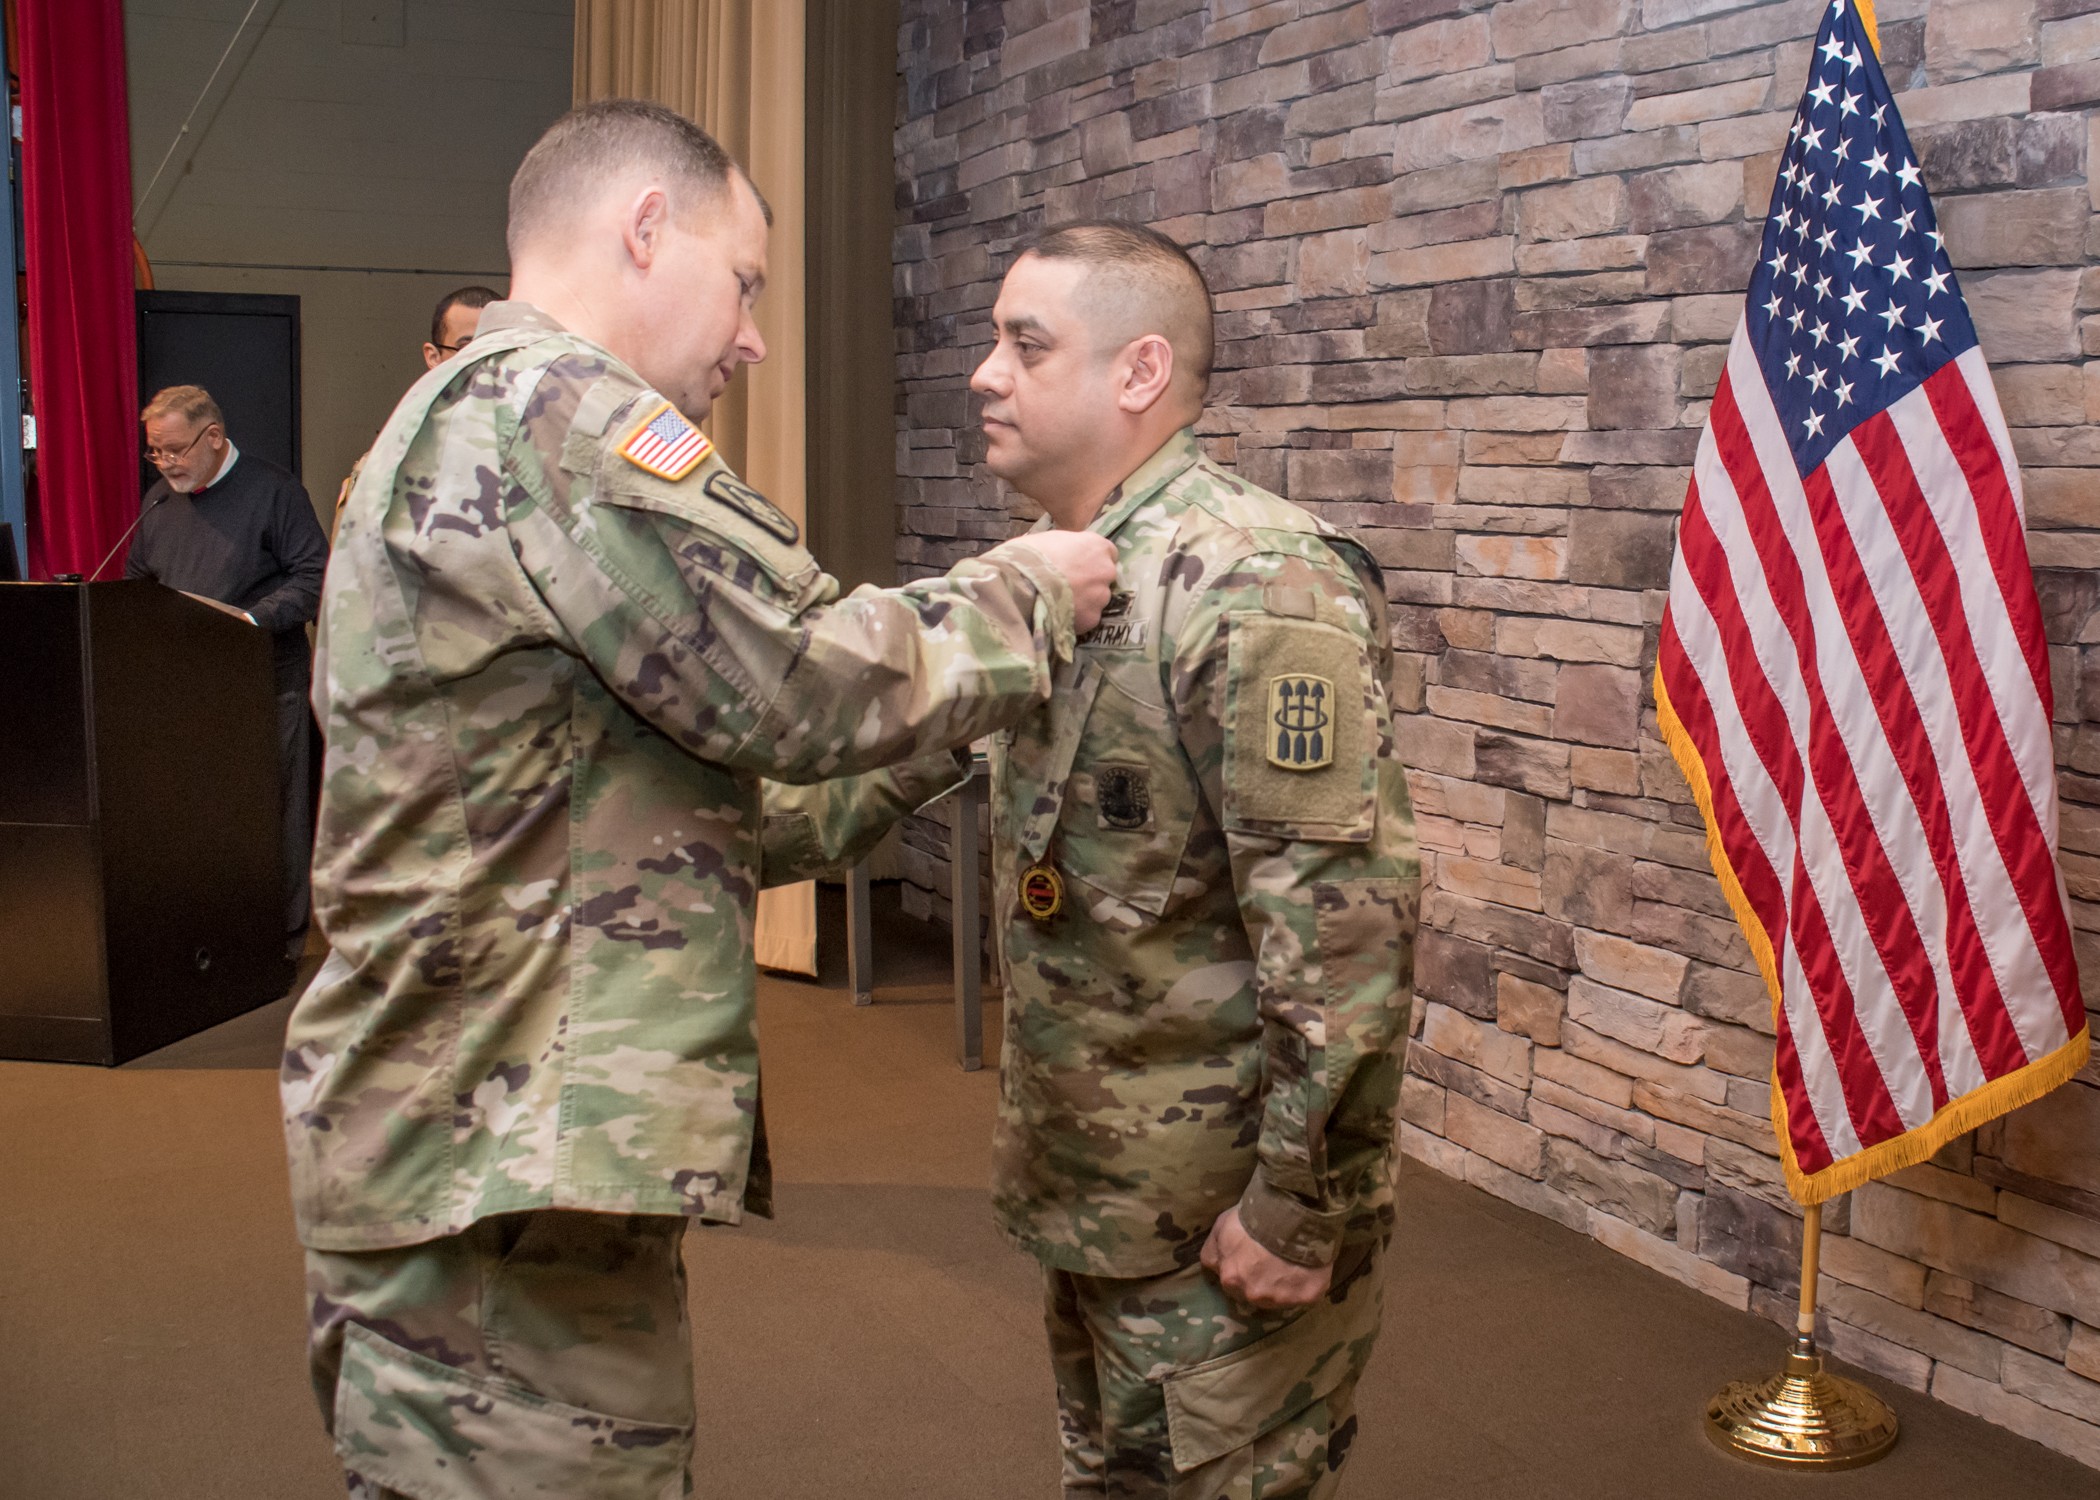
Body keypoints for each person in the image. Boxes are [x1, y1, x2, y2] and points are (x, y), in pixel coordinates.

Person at [282, 100, 1117, 1500]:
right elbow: (796, 683)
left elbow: (662, 811)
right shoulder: (557, 416)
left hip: (468, 1143)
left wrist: (939, 739)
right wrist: (1026, 589)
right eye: (744, 283)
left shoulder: (459, 420)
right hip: (496, 1161)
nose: (754, 336)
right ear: (644, 231)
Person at [969, 223, 1420, 1497]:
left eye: (1024, 343)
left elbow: (1345, 932)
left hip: (1220, 1232)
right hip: (1103, 1202)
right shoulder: (1068, 580)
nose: (984, 374)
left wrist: (1298, 1202)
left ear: (1139, 371)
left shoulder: (1257, 585)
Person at [126, 384, 329, 958]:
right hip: (184, 689)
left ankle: (281, 943)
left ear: (213, 437)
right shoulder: (159, 503)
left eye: (174, 450)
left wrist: (248, 620)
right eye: (155, 453)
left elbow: (314, 579)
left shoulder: (274, 491)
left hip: (265, 683)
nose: (165, 464)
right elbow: (138, 582)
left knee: (273, 814)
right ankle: (210, 937)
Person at [333, 284, 500, 534]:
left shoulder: (544, 441)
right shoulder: (392, 461)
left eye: (496, 347)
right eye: (467, 349)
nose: (483, 361)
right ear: (434, 357)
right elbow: (352, 561)